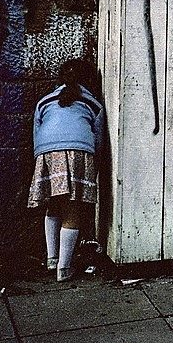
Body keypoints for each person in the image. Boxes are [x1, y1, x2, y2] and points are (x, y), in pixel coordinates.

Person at [27, 59, 105, 282]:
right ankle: (64, 268)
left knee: (53, 204)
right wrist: (94, 169)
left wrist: (41, 162)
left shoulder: (44, 102)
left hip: (46, 152)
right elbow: (98, 142)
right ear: (88, 81)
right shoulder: (93, 104)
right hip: (79, 150)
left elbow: (37, 133)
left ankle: (51, 259)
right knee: (73, 210)